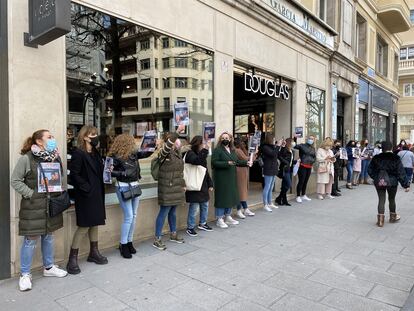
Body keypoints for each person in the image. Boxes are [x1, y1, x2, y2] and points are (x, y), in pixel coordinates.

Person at [11, 129, 68, 291]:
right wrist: (31, 194)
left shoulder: (54, 156)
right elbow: (15, 180)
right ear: (39, 141)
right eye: (49, 137)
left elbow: (59, 177)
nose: (53, 139)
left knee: (49, 235)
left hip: (51, 204)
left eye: (53, 137)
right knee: (31, 239)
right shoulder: (27, 158)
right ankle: (25, 274)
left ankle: (49, 267)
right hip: (33, 206)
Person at [66, 125, 107, 275]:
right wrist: (86, 187)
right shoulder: (78, 153)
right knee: (84, 225)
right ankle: (72, 259)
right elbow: (74, 174)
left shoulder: (96, 153)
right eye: (92, 135)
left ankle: (94, 252)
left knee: (95, 222)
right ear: (84, 137)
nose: (95, 137)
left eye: (96, 134)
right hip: (85, 194)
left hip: (97, 193)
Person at [108, 134, 153, 258]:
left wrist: (152, 142)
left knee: (133, 215)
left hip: (134, 185)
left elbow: (146, 153)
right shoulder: (114, 156)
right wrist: (123, 173)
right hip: (122, 186)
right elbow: (107, 172)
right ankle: (123, 244)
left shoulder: (134, 154)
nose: (134, 143)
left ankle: (129, 242)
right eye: (131, 141)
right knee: (128, 216)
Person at [153, 125, 186, 250]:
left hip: (176, 187)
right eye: (173, 139)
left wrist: (183, 185)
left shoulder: (176, 152)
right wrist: (176, 132)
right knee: (163, 212)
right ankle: (157, 238)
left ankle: (173, 234)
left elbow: (179, 172)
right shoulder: (163, 152)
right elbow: (167, 146)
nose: (177, 141)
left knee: (173, 212)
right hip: (167, 187)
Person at [212, 132, 251, 228]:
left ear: (230, 139)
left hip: (231, 178)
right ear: (220, 139)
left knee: (230, 197)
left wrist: (247, 163)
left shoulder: (232, 150)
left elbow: (237, 162)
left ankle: (228, 216)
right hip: (221, 178)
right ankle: (219, 218)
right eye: (223, 137)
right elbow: (214, 163)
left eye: (227, 137)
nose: (225, 139)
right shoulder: (217, 150)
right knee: (221, 198)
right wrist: (226, 163)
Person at [368, 141, 410, 227]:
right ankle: (393, 217)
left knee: (381, 199)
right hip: (392, 182)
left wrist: (376, 177)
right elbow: (400, 172)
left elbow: (369, 170)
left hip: (379, 181)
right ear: (391, 148)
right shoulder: (395, 158)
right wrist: (406, 184)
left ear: (382, 148)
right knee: (392, 199)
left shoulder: (376, 157)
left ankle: (380, 221)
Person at [182, 135, 214, 237]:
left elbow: (205, 170)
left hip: (202, 184)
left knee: (205, 205)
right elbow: (197, 161)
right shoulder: (189, 153)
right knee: (194, 207)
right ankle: (190, 227)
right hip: (194, 184)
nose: (204, 145)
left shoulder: (201, 154)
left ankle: (202, 223)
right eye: (202, 144)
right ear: (197, 144)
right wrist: (205, 150)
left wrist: (210, 183)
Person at [234, 137, 256, 218]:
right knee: (241, 192)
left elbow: (248, 157)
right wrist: (254, 154)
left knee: (243, 192)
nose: (243, 144)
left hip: (243, 172)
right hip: (240, 173)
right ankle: (239, 210)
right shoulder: (237, 150)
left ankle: (245, 209)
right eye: (242, 142)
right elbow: (247, 159)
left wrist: (252, 153)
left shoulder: (241, 150)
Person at [261, 133, 282, 211]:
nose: (274, 140)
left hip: (273, 168)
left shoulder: (273, 147)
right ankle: (265, 204)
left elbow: (277, 154)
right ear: (270, 139)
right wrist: (278, 146)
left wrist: (280, 146)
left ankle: (270, 203)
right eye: (273, 139)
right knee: (267, 186)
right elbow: (273, 154)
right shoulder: (265, 147)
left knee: (271, 187)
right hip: (268, 168)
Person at [294, 135, 316, 203]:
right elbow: (295, 146)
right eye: (310, 138)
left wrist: (312, 161)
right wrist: (295, 138)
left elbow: (314, 157)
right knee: (301, 181)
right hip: (302, 166)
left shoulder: (313, 148)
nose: (311, 140)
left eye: (312, 139)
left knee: (305, 181)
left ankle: (303, 195)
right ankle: (298, 196)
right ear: (307, 139)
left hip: (309, 166)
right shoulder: (302, 145)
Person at [275, 138, 295, 206]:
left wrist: (296, 161)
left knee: (284, 186)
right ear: (289, 143)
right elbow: (279, 156)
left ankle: (283, 199)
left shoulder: (292, 151)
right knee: (288, 185)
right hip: (284, 169)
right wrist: (286, 162)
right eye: (292, 142)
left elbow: (291, 161)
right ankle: (279, 198)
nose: (293, 143)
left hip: (289, 170)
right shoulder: (284, 149)